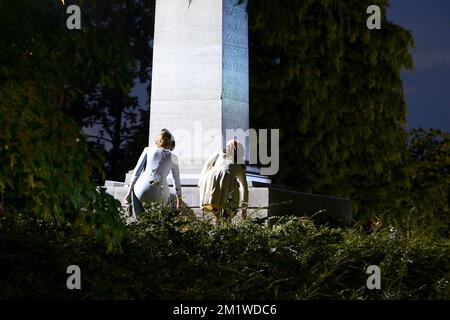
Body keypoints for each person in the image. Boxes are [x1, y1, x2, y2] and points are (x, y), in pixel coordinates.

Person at [125, 129, 183, 219]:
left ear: (158, 141)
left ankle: (138, 220)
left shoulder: (147, 150)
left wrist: (128, 193)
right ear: (170, 144)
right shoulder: (174, 157)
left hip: (142, 189)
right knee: (159, 218)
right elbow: (177, 181)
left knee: (135, 193)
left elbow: (137, 171)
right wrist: (179, 200)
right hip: (162, 192)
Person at [198, 139, 248, 225]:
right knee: (225, 214)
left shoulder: (219, 154)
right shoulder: (239, 166)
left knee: (216, 211)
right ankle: (223, 227)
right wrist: (244, 208)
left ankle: (218, 226)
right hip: (224, 184)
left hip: (212, 181)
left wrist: (201, 182)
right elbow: (244, 187)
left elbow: (208, 165)